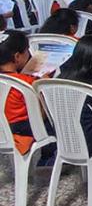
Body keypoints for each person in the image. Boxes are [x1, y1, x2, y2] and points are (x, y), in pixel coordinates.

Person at [0, 30, 56, 162]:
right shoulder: (26, 83)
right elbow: (40, 117)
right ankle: (47, 160)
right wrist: (42, 87)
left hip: (4, 127)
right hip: (23, 130)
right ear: (17, 57)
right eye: (26, 51)